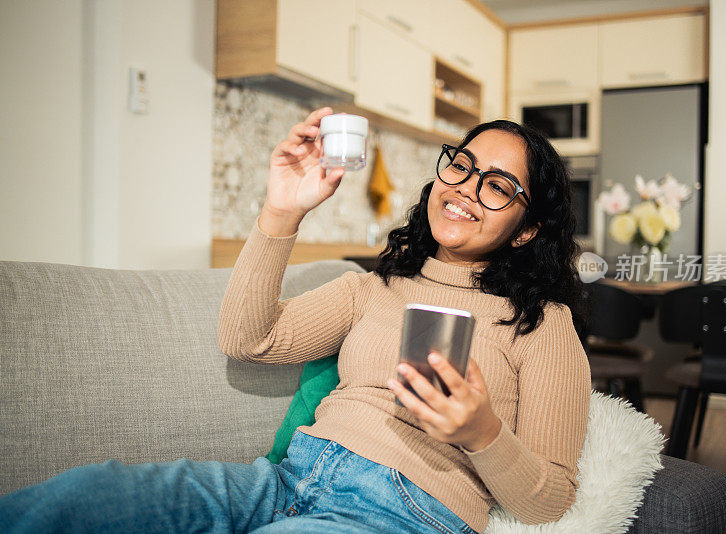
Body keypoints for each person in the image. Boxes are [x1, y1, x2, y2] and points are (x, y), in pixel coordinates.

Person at [0, 107, 590, 534]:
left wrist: (481, 432)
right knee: (89, 498)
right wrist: (282, 211)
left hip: (406, 512)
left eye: (498, 187)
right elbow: (247, 339)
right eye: (460, 166)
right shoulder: (373, 288)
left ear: (529, 227)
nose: (464, 189)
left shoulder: (541, 325)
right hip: (285, 480)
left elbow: (551, 501)